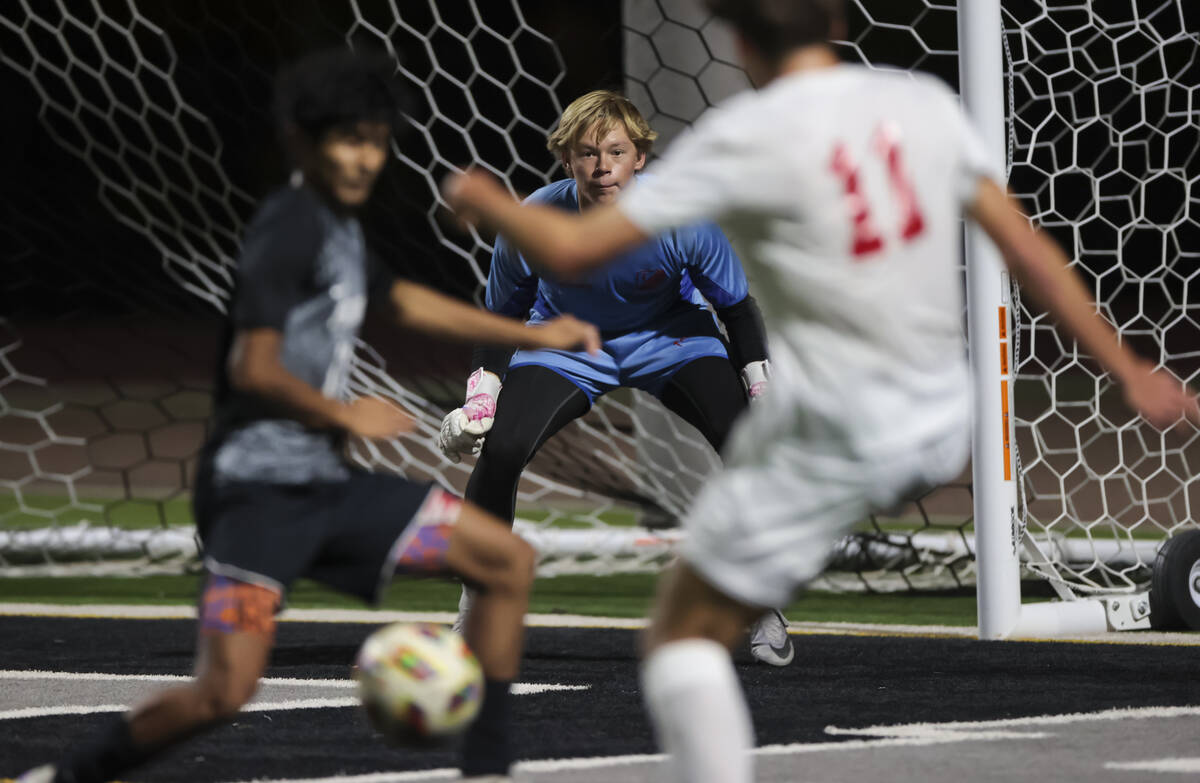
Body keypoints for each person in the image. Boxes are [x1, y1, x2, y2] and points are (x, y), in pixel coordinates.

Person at [440, 1, 1200, 780]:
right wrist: (1128, 367)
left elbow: (646, 272)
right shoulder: (921, 104)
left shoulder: (741, 140)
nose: (601, 166)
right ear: (836, 21)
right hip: (943, 419)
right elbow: (1021, 244)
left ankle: (747, 607)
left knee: (677, 637)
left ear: (736, 43)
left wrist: (484, 199)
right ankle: (721, 577)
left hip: (835, 426)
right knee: (553, 464)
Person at [18, 48, 601, 783]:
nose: (364, 158)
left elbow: (406, 302)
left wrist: (534, 335)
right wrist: (344, 414)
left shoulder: (339, 229)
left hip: (328, 493)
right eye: (346, 139)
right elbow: (250, 370)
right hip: (254, 501)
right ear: (302, 140)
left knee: (504, 560)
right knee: (222, 692)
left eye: (375, 140)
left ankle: (485, 770)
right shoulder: (286, 228)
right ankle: (70, 777)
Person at [436, 89, 792, 666]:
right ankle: (475, 611)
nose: (602, 168)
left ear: (640, 159)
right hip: (567, 344)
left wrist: (762, 390)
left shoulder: (683, 216)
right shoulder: (533, 220)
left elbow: (736, 309)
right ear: (566, 161)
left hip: (671, 339)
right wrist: (481, 400)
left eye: (616, 152)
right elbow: (501, 320)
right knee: (499, 453)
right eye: (587, 154)